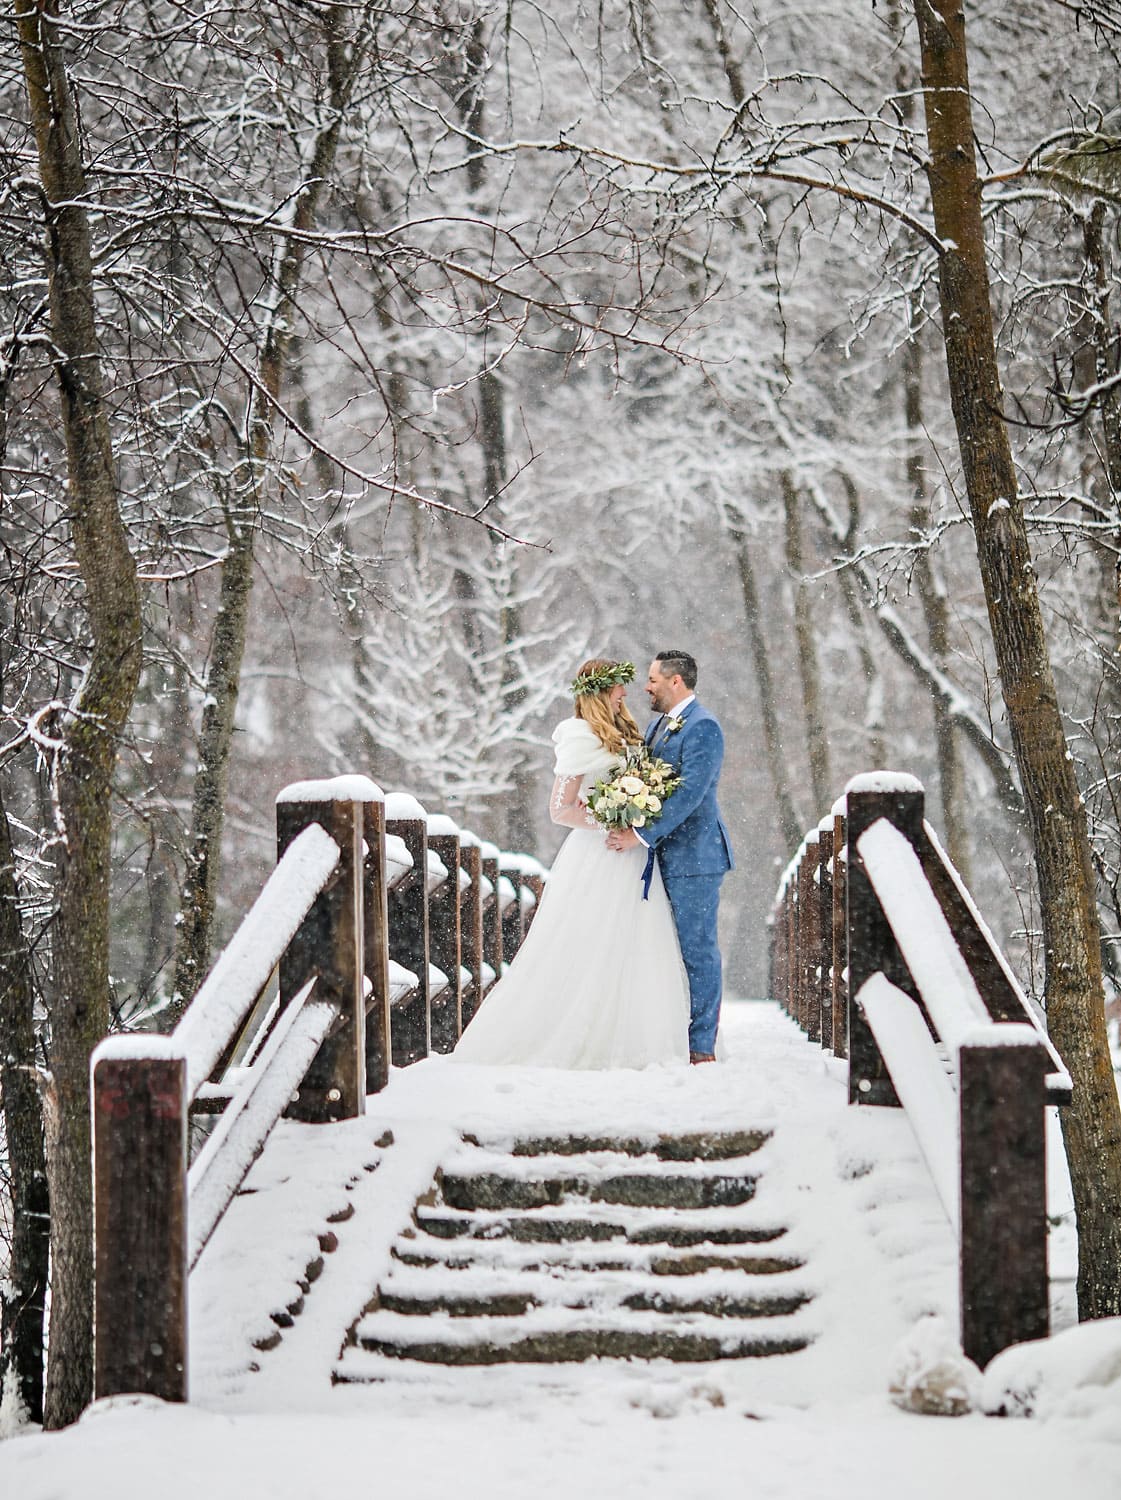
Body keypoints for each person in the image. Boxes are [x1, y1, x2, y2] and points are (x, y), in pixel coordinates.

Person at [452, 658, 690, 1069]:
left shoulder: (627, 731)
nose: (625, 694)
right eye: (617, 687)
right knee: (587, 938)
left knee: (638, 940)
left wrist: (636, 820)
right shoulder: (581, 736)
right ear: (600, 691)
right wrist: (610, 819)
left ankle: (635, 1037)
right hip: (597, 855)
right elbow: (560, 809)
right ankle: (575, 1030)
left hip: (632, 855)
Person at [606, 651, 734, 1063]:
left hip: (695, 859)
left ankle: (701, 1047)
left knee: (697, 950)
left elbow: (690, 795)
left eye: (653, 679)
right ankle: (666, 1036)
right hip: (661, 856)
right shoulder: (658, 725)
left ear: (676, 681)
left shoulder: (704, 727)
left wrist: (640, 834)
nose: (646, 686)